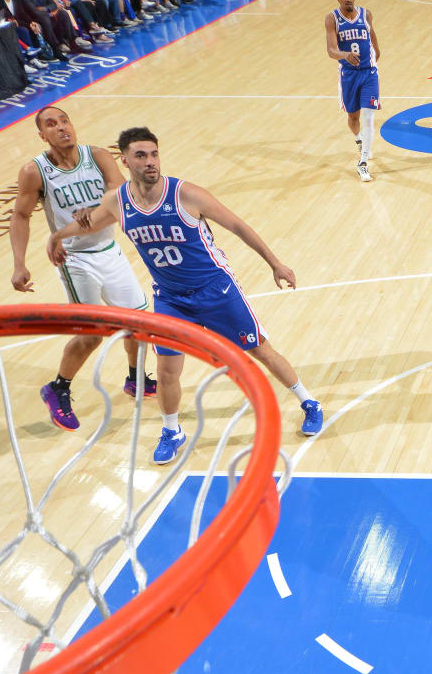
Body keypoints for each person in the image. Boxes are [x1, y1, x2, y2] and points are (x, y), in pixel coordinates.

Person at [47, 126, 324, 463]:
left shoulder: (186, 194)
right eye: (141, 155)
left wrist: (275, 263)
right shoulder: (117, 201)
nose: (150, 161)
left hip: (215, 289)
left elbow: (237, 225)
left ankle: (308, 401)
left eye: (154, 154)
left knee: (259, 349)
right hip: (171, 298)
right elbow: (91, 222)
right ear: (126, 160)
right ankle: (171, 430)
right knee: (166, 370)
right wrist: (58, 235)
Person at [12, 106, 154, 429]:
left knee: (139, 322)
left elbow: (120, 192)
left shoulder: (99, 156)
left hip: (109, 250)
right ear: (42, 135)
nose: (62, 128)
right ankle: (57, 388)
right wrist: (19, 263)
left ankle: (135, 378)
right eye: (52, 124)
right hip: (75, 261)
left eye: (64, 121)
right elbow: (20, 216)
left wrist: (94, 207)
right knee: (91, 336)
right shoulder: (34, 172)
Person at [326, 0, 382, 181]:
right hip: (349, 75)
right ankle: (359, 140)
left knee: (368, 117)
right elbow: (331, 50)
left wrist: (374, 59)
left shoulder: (366, 14)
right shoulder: (332, 18)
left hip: (369, 73)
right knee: (353, 118)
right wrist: (344, 54)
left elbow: (373, 39)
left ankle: (363, 163)